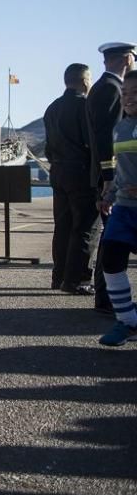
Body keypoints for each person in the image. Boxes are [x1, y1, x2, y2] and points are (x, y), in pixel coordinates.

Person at [86, 42, 137, 314]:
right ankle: (109, 302)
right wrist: (108, 179)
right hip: (117, 182)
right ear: (128, 58)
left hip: (116, 181)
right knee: (112, 245)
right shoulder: (109, 88)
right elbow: (107, 137)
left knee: (111, 243)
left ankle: (112, 302)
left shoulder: (102, 87)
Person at [43, 63, 99, 294]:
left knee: (63, 226)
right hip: (81, 171)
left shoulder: (52, 108)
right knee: (86, 226)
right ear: (86, 81)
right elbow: (91, 143)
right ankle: (77, 279)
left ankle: (59, 276)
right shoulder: (85, 106)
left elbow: (48, 148)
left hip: (58, 171)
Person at [95, 69, 137, 347]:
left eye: (135, 94)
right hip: (124, 207)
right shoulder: (120, 127)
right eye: (125, 94)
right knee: (110, 261)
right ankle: (127, 321)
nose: (129, 99)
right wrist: (108, 193)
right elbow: (120, 168)